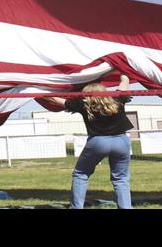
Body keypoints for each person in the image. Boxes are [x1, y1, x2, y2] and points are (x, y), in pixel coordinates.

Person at [36, 76, 136, 210]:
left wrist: (37, 90)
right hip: (121, 141)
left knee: (81, 174)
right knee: (121, 179)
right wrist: (122, 71)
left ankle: (76, 207)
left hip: (98, 142)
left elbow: (55, 99)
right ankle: (126, 207)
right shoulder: (118, 98)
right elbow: (125, 82)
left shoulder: (83, 104)